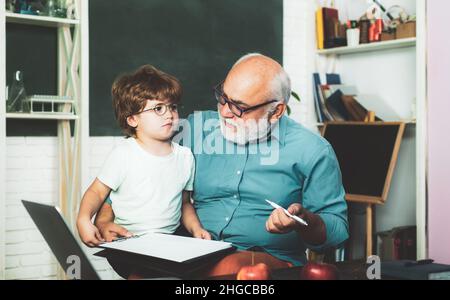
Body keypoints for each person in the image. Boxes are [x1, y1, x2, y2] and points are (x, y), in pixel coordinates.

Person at [94, 54, 349, 277]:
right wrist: (105, 219)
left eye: (239, 107)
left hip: (264, 257)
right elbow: (134, 168)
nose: (225, 112)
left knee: (224, 269)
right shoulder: (194, 130)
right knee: (139, 271)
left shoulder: (312, 150)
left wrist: (305, 221)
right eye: (223, 98)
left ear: (277, 110)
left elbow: (336, 230)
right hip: (191, 248)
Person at [76, 65, 211, 250]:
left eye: (172, 107)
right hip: (127, 242)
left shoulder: (185, 157)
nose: (169, 114)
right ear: (132, 120)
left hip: (169, 242)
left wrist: (196, 229)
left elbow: (185, 204)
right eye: (158, 108)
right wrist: (83, 219)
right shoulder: (123, 154)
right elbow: (97, 192)